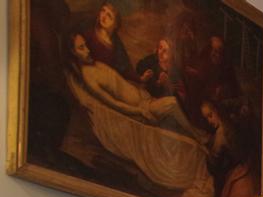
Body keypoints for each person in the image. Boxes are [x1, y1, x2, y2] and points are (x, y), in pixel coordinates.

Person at [68, 33, 208, 143]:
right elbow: (113, 104)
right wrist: (139, 111)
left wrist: (144, 83)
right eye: (81, 48)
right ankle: (197, 136)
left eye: (85, 45)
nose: (87, 50)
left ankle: (194, 132)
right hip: (142, 107)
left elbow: (122, 84)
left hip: (146, 99)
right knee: (171, 103)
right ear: (73, 52)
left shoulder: (96, 64)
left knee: (175, 114)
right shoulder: (89, 78)